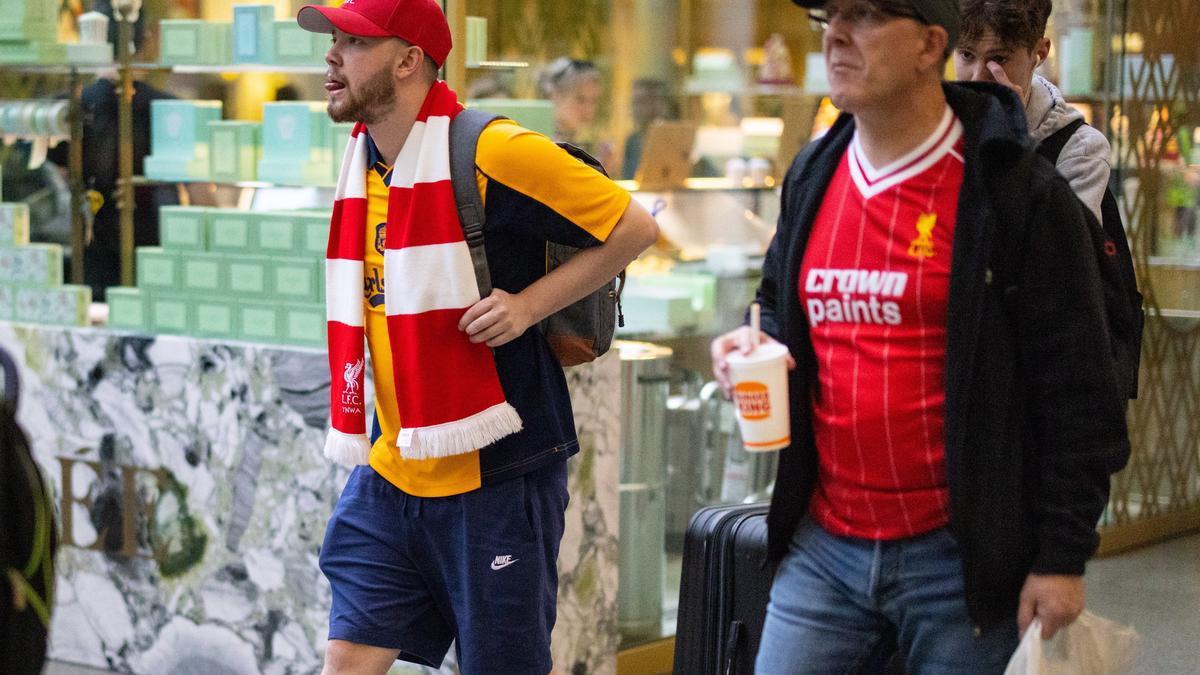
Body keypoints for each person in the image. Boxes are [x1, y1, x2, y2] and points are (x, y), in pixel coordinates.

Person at [709, 0, 1131, 672]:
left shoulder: (1017, 192)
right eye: (831, 19)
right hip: (825, 546)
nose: (839, 36)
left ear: (929, 45)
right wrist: (749, 344)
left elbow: (1079, 389)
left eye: (866, 17)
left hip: (960, 563)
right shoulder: (814, 174)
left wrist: (1061, 556)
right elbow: (777, 308)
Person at [294, 1, 658, 674]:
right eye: (333, 39)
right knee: (346, 657)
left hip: (499, 472)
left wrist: (527, 306)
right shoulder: (365, 165)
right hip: (393, 463)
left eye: (353, 41)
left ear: (408, 61)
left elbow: (634, 228)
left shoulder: (489, 149)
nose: (331, 55)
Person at [954, 0, 1110, 221]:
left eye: (999, 59)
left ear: (1040, 52)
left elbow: (1062, 251)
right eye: (967, 55)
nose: (978, 77)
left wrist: (1013, 142)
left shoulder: (1079, 148)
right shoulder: (936, 127)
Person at [538, 57, 615, 168]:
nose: (588, 109)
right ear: (554, 96)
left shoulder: (583, 140)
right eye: (580, 99)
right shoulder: (542, 140)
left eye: (594, 100)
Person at [621, 77, 676, 179]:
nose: (634, 108)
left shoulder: (675, 139)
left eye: (640, 102)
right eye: (633, 102)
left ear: (657, 104)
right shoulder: (632, 141)